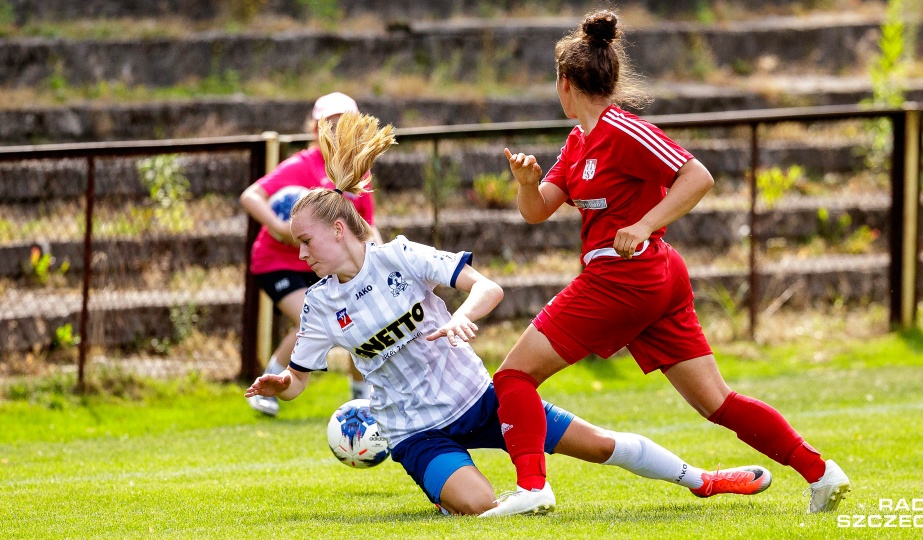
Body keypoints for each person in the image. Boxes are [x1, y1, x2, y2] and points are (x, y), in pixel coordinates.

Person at [244, 111, 775, 516]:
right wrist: (280, 385)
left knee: (600, 445)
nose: (301, 254)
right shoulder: (319, 305)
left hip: (479, 398)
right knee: (479, 506)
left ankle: (703, 479)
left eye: (307, 241)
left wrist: (461, 316)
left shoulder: (399, 257)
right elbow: (299, 382)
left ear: (339, 229)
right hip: (412, 430)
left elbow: (486, 288)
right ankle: (463, 484)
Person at [483, 10, 851, 517]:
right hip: (644, 281)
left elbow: (697, 176)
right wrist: (526, 184)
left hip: (625, 277)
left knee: (513, 377)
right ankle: (822, 472)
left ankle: (532, 489)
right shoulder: (578, 143)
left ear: (564, 84)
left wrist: (642, 225)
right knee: (714, 403)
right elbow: (537, 212)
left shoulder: (624, 129)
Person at [241, 92, 379, 416]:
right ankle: (266, 385)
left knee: (361, 318)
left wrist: (380, 256)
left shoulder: (357, 170)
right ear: (315, 127)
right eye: (328, 123)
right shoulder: (301, 165)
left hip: (323, 264)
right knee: (313, 319)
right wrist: (278, 227)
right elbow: (251, 196)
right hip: (277, 262)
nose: (335, 129)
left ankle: (363, 400)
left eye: (343, 123)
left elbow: (367, 225)